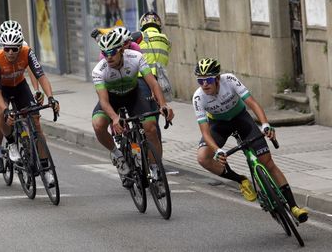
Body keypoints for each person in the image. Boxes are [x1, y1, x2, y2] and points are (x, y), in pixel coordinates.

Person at [192, 58, 308, 223]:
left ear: (217, 78)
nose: (204, 84)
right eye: (200, 80)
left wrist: (265, 124)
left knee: (267, 162)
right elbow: (205, 131)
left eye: (208, 80)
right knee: (203, 157)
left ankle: (294, 207)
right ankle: (241, 180)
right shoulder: (198, 97)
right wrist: (217, 150)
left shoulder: (229, 80)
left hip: (240, 118)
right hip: (218, 125)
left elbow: (252, 103)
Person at [91, 31, 173, 188]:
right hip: (112, 98)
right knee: (98, 124)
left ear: (121, 50)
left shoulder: (136, 57)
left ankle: (155, 169)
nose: (108, 57)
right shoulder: (99, 70)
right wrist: (115, 118)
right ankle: (117, 155)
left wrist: (163, 105)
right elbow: (103, 101)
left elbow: (153, 84)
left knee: (150, 128)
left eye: (112, 52)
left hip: (134, 95)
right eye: (104, 53)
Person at [0, 29, 59, 185]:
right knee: (0, 113)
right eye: (7, 48)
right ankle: (12, 143)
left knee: (36, 123)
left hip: (19, 85)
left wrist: (51, 98)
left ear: (20, 47)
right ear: (3, 47)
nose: (11, 52)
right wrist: (6, 110)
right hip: (1, 89)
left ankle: (46, 169)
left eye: (15, 48)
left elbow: (41, 75)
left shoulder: (27, 52)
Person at [0, 20, 41, 164]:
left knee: (29, 111)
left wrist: (37, 90)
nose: (11, 48)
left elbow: (31, 69)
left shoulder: (23, 45)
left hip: (15, 80)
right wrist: (3, 109)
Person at [138, 11, 171, 145]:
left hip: (142, 81)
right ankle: (156, 159)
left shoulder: (139, 37)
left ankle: (140, 149)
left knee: (141, 118)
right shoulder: (166, 40)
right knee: (154, 120)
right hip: (158, 83)